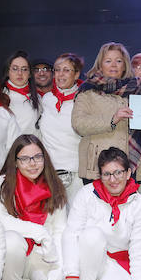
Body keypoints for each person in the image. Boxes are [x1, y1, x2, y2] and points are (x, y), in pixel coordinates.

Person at [62, 147, 141, 280]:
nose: (113, 180)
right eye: (106, 174)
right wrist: (72, 274)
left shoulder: (138, 203)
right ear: (100, 175)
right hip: (87, 261)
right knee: (92, 234)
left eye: (118, 172)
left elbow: (140, 252)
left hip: (117, 264)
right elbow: (71, 234)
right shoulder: (86, 195)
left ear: (128, 173)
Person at [0, 135, 73, 280]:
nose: (32, 163)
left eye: (38, 157)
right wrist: (40, 233)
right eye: (25, 159)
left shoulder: (54, 185)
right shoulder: (2, 184)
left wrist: (57, 271)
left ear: (45, 157)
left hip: (41, 257)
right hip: (11, 255)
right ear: (15, 161)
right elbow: (2, 221)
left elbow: (59, 231)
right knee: (13, 239)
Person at [72, 42, 141, 181]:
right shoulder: (87, 89)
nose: (114, 65)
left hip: (130, 165)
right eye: (108, 61)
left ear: (125, 64)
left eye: (118, 61)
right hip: (98, 167)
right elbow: (79, 124)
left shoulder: (138, 89)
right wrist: (112, 120)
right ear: (100, 65)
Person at [38, 53, 85, 201]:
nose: (61, 74)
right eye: (57, 70)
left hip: (76, 173)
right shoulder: (47, 99)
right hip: (49, 172)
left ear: (76, 74)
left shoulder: (84, 100)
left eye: (66, 70)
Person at [4, 50, 41, 135]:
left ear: (30, 73)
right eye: (15, 69)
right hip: (10, 147)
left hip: (33, 146)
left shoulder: (37, 97)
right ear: (7, 72)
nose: (19, 73)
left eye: (24, 69)